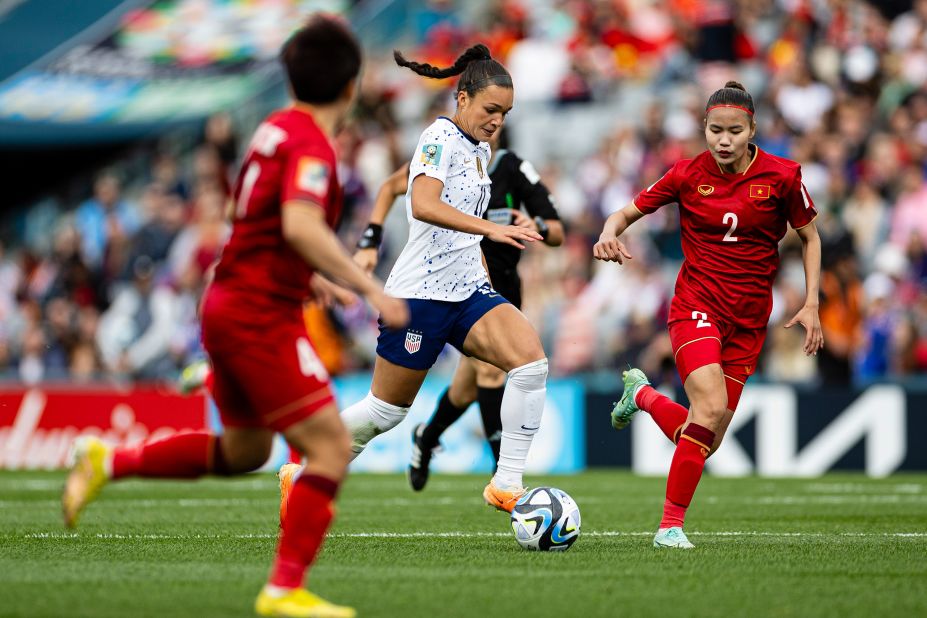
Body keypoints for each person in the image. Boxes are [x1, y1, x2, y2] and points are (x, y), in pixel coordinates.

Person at [61, 16, 408, 618]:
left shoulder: (272, 128)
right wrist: (367, 289)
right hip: (256, 316)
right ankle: (283, 590)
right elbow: (299, 222)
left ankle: (107, 461)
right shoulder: (310, 144)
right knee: (327, 447)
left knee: (246, 451)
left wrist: (312, 277)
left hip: (230, 301)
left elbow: (255, 218)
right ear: (351, 87)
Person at [310, 43, 548, 514]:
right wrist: (492, 228)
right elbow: (424, 204)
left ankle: (506, 483)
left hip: (467, 291)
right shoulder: (438, 138)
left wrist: (487, 255)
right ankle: (309, 469)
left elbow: (462, 225)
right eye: (491, 109)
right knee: (386, 413)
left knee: (531, 363)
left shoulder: (479, 149)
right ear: (462, 99)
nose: (498, 120)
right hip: (419, 295)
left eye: (506, 112)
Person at [593, 81, 824, 549]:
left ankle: (643, 396)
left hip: (750, 320)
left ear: (752, 130)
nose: (723, 140)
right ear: (703, 128)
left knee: (705, 437)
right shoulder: (684, 174)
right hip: (697, 305)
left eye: (734, 131)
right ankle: (669, 528)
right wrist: (607, 233)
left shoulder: (782, 176)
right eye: (715, 130)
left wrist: (812, 302)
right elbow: (622, 214)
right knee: (711, 409)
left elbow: (811, 238)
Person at [350, 128, 563, 490]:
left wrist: (536, 224)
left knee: (477, 384)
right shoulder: (443, 152)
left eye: (500, 115)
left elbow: (556, 231)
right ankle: (499, 475)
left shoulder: (513, 168)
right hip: (438, 288)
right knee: (477, 382)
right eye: (489, 112)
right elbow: (391, 188)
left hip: (493, 290)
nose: (491, 126)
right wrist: (370, 238)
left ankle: (451, 451)